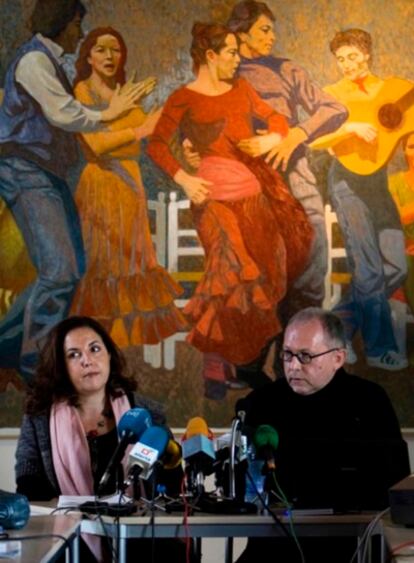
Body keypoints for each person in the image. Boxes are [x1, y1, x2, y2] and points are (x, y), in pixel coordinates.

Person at [147, 22, 313, 399]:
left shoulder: (241, 89)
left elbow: (274, 118)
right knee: (230, 273)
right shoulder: (183, 98)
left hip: (255, 196)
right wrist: (184, 178)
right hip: (213, 199)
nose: (239, 59)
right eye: (232, 52)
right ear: (210, 55)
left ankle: (247, 363)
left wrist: (273, 135)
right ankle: (220, 363)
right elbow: (157, 145)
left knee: (271, 271)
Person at [0, 0, 146, 381]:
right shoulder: (34, 61)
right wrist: (109, 114)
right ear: (60, 22)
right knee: (61, 270)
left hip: (46, 172)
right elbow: (63, 113)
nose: (80, 33)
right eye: (77, 24)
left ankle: (4, 346)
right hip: (26, 168)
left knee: (71, 268)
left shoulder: (50, 61)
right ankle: (36, 364)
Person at [236, 307, 410, 563]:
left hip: (350, 543)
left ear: (338, 358)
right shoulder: (262, 402)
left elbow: (395, 480)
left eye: (305, 356)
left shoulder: (369, 401)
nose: (293, 366)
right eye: (287, 355)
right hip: (274, 543)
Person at [15, 315, 186, 562]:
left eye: (94, 349)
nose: (87, 360)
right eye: (73, 354)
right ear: (61, 367)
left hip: (141, 539)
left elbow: (172, 485)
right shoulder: (39, 419)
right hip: (69, 540)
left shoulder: (147, 412)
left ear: (109, 356)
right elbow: (29, 489)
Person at [227, 0, 348, 317]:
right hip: (247, 175)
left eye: (272, 30)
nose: (271, 37)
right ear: (241, 33)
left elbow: (335, 109)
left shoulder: (287, 69)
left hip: (293, 168)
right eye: (264, 30)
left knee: (312, 233)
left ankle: (303, 323)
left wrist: (295, 134)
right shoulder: (226, 72)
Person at [69, 27, 187, 348]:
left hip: (130, 190)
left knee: (132, 268)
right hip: (102, 188)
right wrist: (141, 129)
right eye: (102, 49)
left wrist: (170, 111)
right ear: (88, 56)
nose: (110, 57)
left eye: (116, 50)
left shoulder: (124, 92)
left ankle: (121, 355)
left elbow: (150, 128)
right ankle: (95, 346)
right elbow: (95, 144)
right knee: (103, 267)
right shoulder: (83, 91)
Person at [322, 29, 408, 370]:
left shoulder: (394, 90)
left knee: (396, 266)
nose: (347, 65)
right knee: (369, 270)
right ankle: (379, 349)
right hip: (346, 183)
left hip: (377, 181)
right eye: (341, 59)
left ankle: (336, 328)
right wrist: (349, 129)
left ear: (367, 54)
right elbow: (320, 140)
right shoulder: (332, 94)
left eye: (353, 56)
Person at [388, 133, 414, 317]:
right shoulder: (395, 181)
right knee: (405, 262)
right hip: (403, 246)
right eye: (412, 146)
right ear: (404, 151)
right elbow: (396, 217)